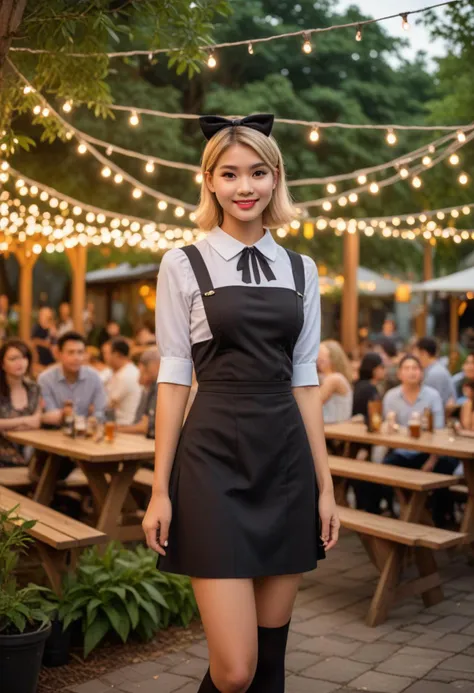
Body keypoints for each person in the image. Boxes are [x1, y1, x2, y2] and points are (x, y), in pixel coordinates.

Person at [142, 114, 339, 693]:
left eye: (257, 172)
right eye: (229, 174)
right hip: (212, 466)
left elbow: (306, 379)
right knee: (234, 672)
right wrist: (160, 490)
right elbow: (174, 378)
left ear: (276, 179)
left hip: (285, 462)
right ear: (208, 182)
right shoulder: (183, 263)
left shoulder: (302, 270)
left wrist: (326, 487)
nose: (244, 186)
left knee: (271, 663)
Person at [383, 355, 458, 526]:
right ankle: (403, 513)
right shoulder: (391, 396)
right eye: (407, 368)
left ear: (421, 373)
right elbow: (387, 426)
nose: (411, 372)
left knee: (444, 470)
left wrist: (432, 460)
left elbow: (438, 430)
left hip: (427, 453)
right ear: (399, 373)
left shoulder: (432, 395)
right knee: (384, 467)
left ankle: (441, 520)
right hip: (402, 452)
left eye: (415, 368)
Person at [38, 331, 107, 426]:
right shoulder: (45, 379)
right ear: (59, 354)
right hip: (55, 434)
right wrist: (63, 414)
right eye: (71, 352)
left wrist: (93, 420)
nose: (76, 358)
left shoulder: (94, 377)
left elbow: (100, 412)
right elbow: (50, 413)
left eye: (80, 352)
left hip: (86, 433)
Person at [0, 339, 41, 466]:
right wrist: (24, 421)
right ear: (2, 364)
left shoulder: (34, 388)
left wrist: (6, 425)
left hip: (29, 453)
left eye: (24, 357)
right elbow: (31, 421)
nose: (20, 363)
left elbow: (36, 422)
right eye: (13, 359)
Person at [118, 347, 160, 438]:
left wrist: (117, 429)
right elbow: (141, 381)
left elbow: (144, 427)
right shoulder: (152, 386)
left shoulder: (159, 386)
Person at [105, 338, 141, 426]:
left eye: (106, 353)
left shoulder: (126, 375)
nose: (105, 357)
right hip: (121, 424)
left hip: (125, 426)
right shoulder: (124, 371)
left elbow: (108, 404)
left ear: (116, 355)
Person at [413, 337, 456, 409]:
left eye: (415, 353)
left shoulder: (435, 373)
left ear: (424, 353)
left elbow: (430, 404)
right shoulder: (434, 369)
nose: (414, 357)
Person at [317, 340, 353, 423]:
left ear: (332, 357)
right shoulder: (330, 377)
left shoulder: (335, 379)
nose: (318, 358)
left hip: (335, 430)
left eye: (321, 355)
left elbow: (313, 405)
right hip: (333, 429)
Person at [352, 352, 385, 421]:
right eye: (382, 367)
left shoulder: (360, 385)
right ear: (374, 369)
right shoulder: (368, 388)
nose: (384, 370)